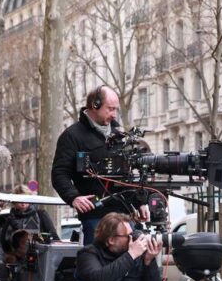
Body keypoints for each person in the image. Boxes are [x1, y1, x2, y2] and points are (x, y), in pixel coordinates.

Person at [51, 85, 149, 245]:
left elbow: (128, 174)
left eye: (116, 109)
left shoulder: (120, 135)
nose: (114, 114)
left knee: (135, 263)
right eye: (110, 109)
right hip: (96, 217)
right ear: (94, 105)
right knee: (95, 264)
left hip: (125, 215)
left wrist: (141, 202)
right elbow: (59, 173)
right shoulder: (71, 136)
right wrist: (73, 197)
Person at [0, 184, 58, 251]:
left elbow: (54, 237)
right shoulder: (9, 218)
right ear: (14, 201)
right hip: (16, 257)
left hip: (41, 255)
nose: (23, 202)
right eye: (19, 199)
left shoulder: (41, 214)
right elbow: (3, 241)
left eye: (26, 198)